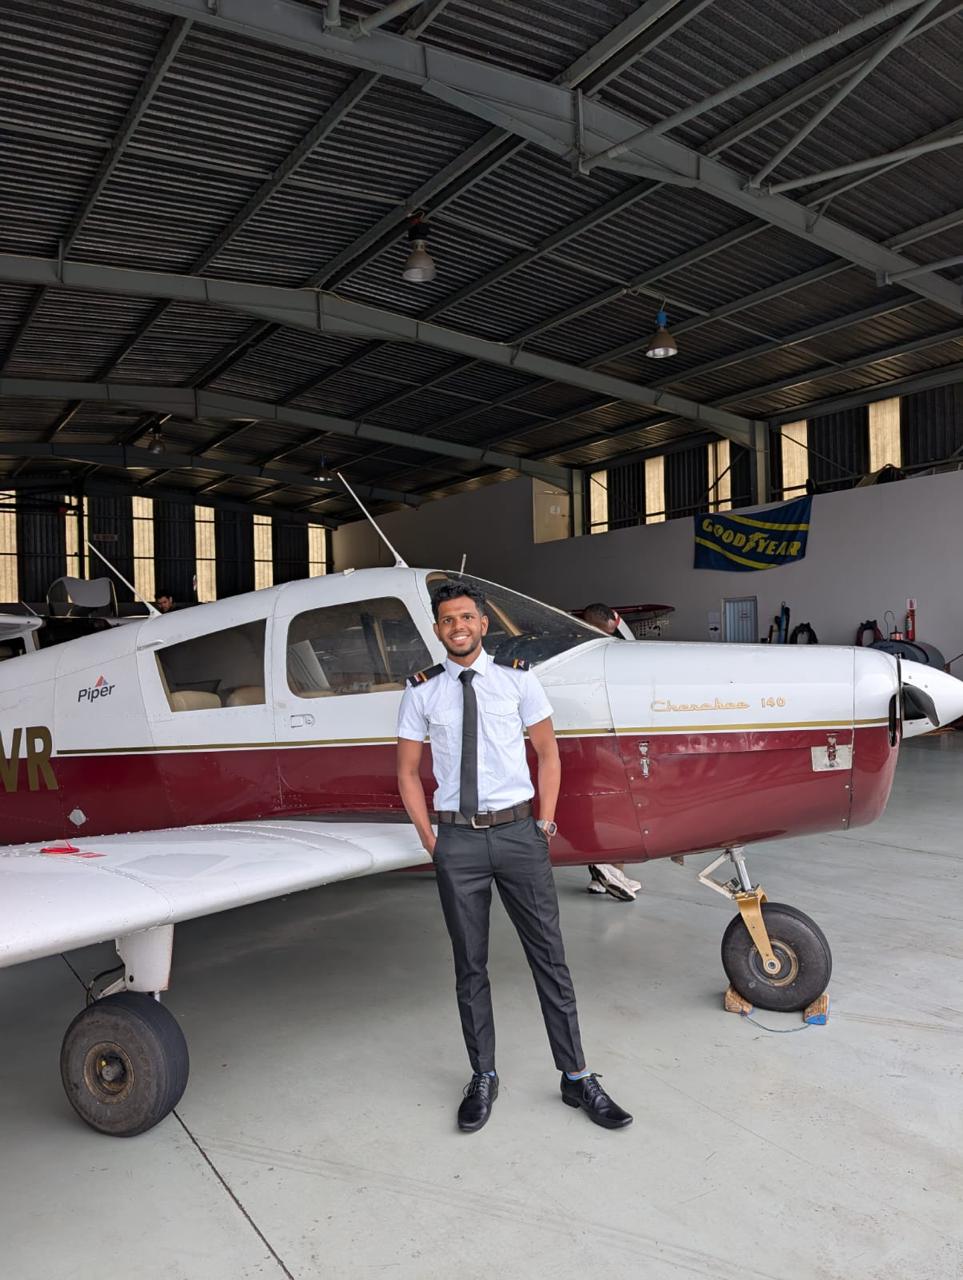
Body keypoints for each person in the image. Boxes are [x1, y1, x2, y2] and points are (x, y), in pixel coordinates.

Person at [397, 581, 632, 1134]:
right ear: (437, 629)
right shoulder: (422, 692)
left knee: (550, 958)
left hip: (519, 835)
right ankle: (483, 1074)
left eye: (466, 617)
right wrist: (430, 839)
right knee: (469, 965)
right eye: (447, 619)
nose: (458, 626)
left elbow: (548, 754)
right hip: (458, 842)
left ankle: (576, 1076)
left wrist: (544, 823)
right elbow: (406, 771)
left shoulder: (518, 680)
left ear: (483, 624)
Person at [580, 604, 643, 903]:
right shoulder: (596, 648)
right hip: (598, 739)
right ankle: (606, 872)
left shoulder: (597, 645)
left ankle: (604, 873)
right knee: (611, 809)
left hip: (600, 736)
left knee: (607, 809)